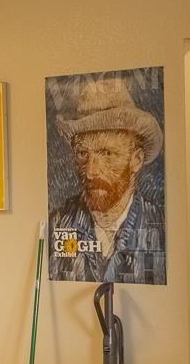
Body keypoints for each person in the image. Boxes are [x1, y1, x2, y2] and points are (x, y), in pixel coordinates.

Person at [47, 74, 167, 285]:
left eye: (107, 154)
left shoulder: (161, 226)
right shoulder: (56, 224)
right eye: (83, 154)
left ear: (136, 160)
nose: (91, 171)